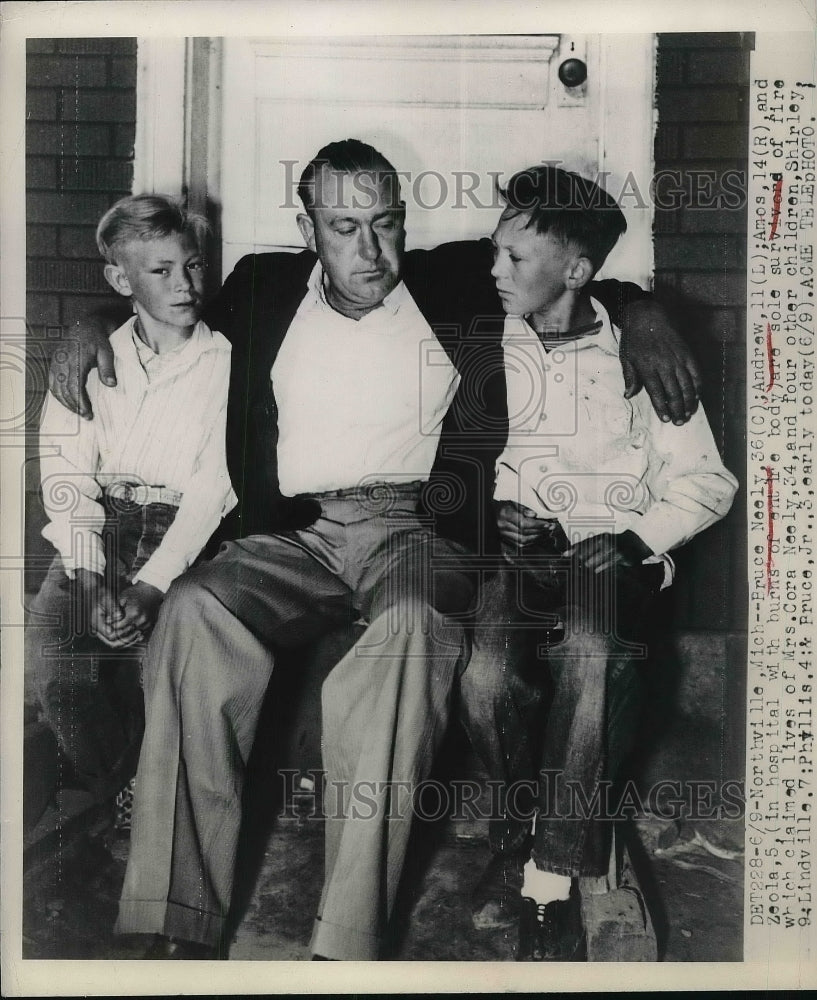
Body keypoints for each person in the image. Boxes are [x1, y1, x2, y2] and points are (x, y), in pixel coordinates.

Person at [47, 139, 701, 961]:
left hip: (417, 533)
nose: (370, 250)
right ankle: (177, 918)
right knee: (194, 608)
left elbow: (566, 266)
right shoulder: (263, 288)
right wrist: (89, 320)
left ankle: (345, 936)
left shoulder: (454, 278)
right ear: (308, 228)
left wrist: (643, 313)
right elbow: (163, 309)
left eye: (386, 223)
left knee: (409, 628)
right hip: (297, 531)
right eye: (344, 225)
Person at [458, 165, 738, 960]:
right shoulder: (484, 338)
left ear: (578, 271)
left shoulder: (637, 358)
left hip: (607, 558)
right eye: (494, 251)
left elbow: (708, 482)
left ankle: (549, 878)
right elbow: (462, 464)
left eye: (516, 259)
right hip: (520, 561)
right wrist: (492, 512)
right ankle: (517, 836)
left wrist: (635, 541)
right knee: (482, 676)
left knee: (590, 654)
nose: (494, 271)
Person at [28, 194, 235, 808]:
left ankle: (144, 800)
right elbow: (66, 477)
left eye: (193, 265)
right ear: (120, 279)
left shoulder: (226, 363)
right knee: (53, 661)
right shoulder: (92, 360)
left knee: (157, 669)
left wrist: (150, 586)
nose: (185, 284)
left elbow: (211, 490)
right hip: (98, 524)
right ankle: (116, 788)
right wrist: (89, 583)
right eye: (161, 271)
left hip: (179, 533)